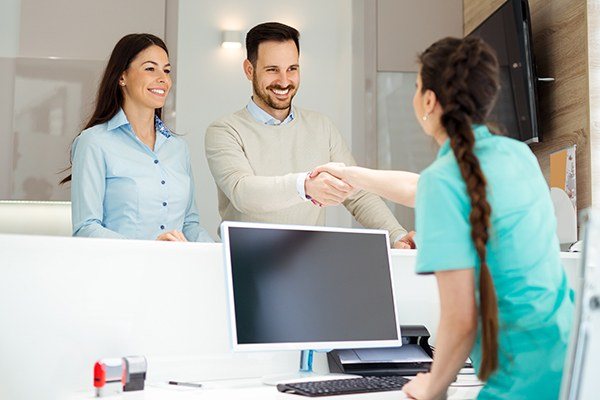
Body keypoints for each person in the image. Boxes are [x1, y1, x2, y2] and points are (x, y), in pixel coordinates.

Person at [312, 37, 573, 399]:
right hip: (572, 358)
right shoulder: (518, 155)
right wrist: (352, 174)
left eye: (418, 86)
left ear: (429, 101)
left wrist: (433, 384)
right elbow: (424, 188)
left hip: (521, 378)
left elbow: (461, 319)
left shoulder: (446, 180)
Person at [205, 22, 414, 248]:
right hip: (245, 261)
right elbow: (243, 192)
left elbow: (357, 194)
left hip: (308, 261)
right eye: (272, 69)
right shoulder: (225, 130)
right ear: (249, 70)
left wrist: (396, 235)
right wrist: (304, 185)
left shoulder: (322, 127)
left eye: (292, 69)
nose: (284, 81)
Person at [61, 33, 212, 242]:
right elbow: (86, 228)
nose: (163, 79)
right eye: (150, 68)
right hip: (121, 270)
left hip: (175, 270)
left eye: (166, 70)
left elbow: (189, 224)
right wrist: (148, 249)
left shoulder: (178, 148)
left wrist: (218, 253)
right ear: (122, 77)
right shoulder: (93, 142)